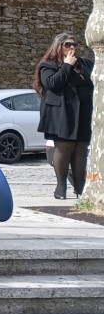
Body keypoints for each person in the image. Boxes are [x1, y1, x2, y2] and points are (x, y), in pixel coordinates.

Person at [36, 33, 94, 199]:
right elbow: (53, 84)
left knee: (81, 149)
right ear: (58, 46)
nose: (72, 48)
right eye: (68, 45)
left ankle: (80, 188)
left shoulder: (85, 64)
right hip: (62, 113)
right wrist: (67, 66)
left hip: (83, 112)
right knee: (65, 147)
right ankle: (61, 187)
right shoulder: (48, 65)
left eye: (75, 45)